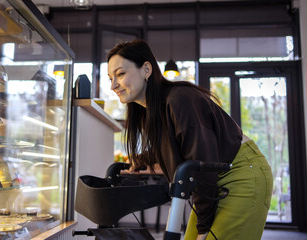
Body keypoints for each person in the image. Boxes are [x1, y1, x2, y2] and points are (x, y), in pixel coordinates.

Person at [107, 39, 273, 240]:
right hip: (214, 176)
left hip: (241, 173)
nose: (113, 85)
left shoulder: (179, 99)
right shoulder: (152, 111)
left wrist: (203, 228)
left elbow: (202, 159)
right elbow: (174, 145)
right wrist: (140, 160)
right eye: (110, 78)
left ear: (146, 69)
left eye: (120, 74)